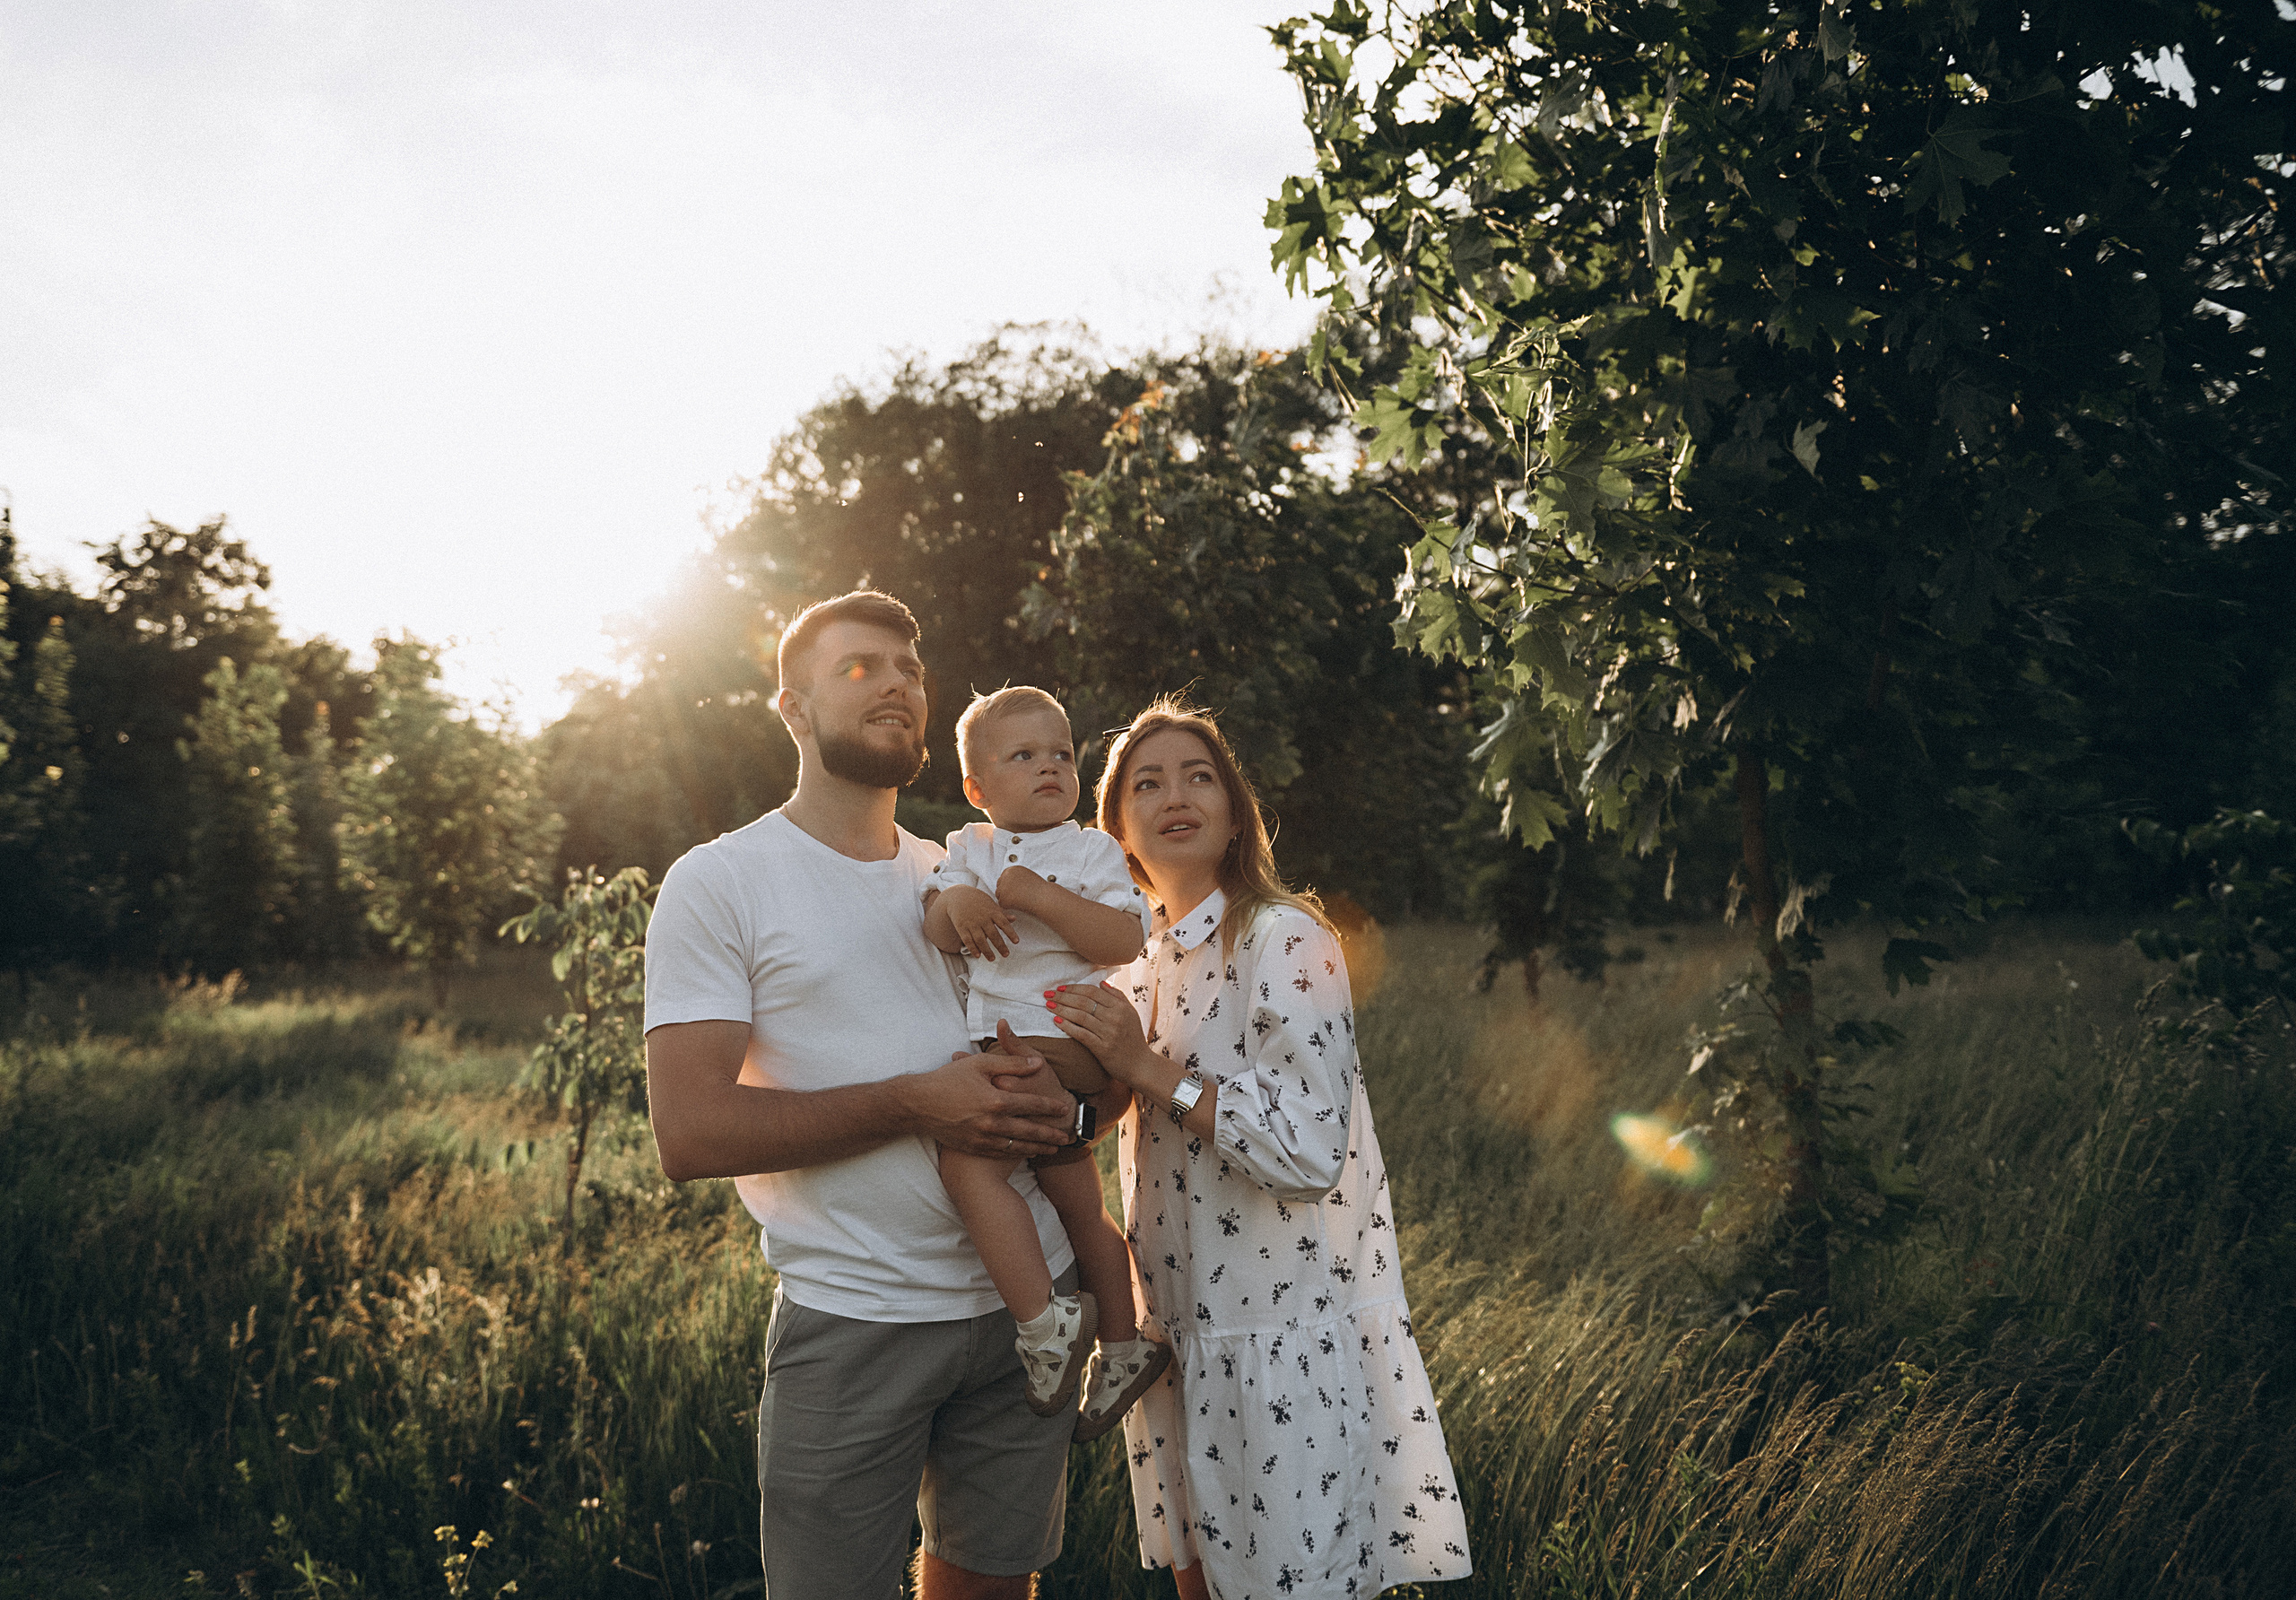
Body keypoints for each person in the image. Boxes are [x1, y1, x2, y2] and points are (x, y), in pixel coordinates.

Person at [642, 590, 1115, 1600]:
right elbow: (688, 1132)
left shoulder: (962, 870)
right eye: (861, 667)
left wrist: (1071, 1117)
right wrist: (915, 1101)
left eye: (910, 667)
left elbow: (1074, 1058)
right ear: (792, 708)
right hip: (856, 1318)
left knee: (991, 1587)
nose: (897, 680)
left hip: (1026, 1315)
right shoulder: (722, 880)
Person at [1047, 699, 1473, 1600]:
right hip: (1178, 1340)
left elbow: (1309, 1149)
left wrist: (1143, 1066)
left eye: (1199, 775)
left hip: (1278, 1350)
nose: (1175, 793)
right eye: (1146, 781)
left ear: (1236, 810)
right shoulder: (1136, 964)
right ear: (1115, 825)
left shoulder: (1286, 939)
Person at [922, 685, 1174, 1438]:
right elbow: (938, 923)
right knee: (1076, 1202)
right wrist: (958, 909)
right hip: (1025, 1045)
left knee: (968, 1168)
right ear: (978, 787)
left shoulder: (1091, 850)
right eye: (1024, 756)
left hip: (1058, 1036)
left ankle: (1044, 1323)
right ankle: (1123, 1347)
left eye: (1062, 754)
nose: (1050, 769)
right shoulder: (968, 848)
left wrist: (1036, 896)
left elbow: (1122, 941)